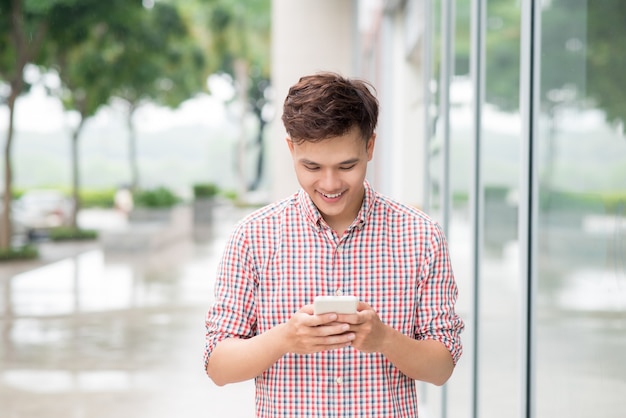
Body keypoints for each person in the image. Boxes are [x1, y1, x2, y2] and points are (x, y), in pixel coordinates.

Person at [204, 71, 464, 417]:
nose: (330, 183)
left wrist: (384, 339)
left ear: (370, 147)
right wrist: (285, 338)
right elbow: (218, 366)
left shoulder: (421, 236)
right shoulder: (254, 236)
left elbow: (442, 367)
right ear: (290, 148)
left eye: (347, 165)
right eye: (311, 166)